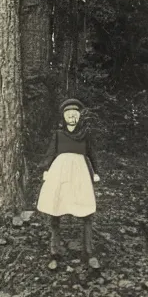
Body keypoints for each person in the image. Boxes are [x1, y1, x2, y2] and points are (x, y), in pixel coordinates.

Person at [37, 98, 100, 258]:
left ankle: (88, 250)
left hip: (80, 174)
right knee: (55, 206)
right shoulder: (58, 134)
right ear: (64, 118)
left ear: (79, 117)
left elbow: (91, 153)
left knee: (85, 207)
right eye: (68, 115)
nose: (72, 118)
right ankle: (54, 248)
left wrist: (96, 172)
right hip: (60, 173)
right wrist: (46, 168)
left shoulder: (85, 135)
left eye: (75, 115)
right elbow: (51, 152)